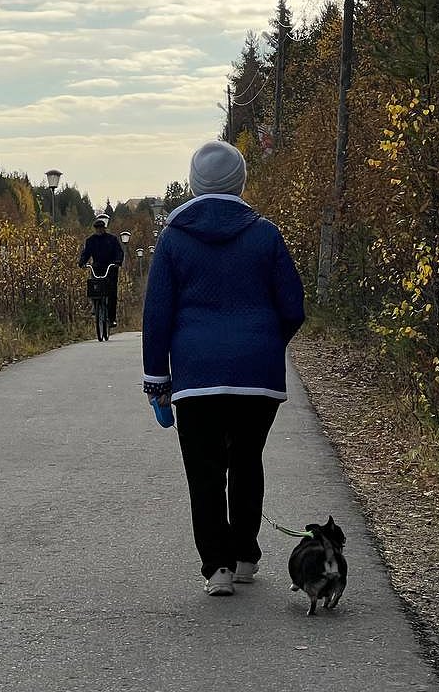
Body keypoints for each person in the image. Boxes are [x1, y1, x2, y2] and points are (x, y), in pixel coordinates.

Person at [141, 140, 306, 596]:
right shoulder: (266, 234)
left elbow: (157, 314)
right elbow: (292, 306)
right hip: (258, 376)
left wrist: (157, 378)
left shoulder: (174, 237)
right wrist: (267, 344)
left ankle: (218, 568)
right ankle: (246, 555)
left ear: (194, 183)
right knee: (247, 461)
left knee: (205, 470)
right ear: (241, 180)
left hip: (196, 377)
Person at [77, 218, 125, 327]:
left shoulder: (112, 239)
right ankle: (96, 305)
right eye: (97, 228)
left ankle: (112, 318)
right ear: (95, 229)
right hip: (97, 268)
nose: (99, 230)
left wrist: (117, 262)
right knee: (94, 288)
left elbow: (119, 252)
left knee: (112, 293)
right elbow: (86, 254)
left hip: (111, 268)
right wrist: (82, 262)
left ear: (104, 228)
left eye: (101, 228)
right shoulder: (91, 241)